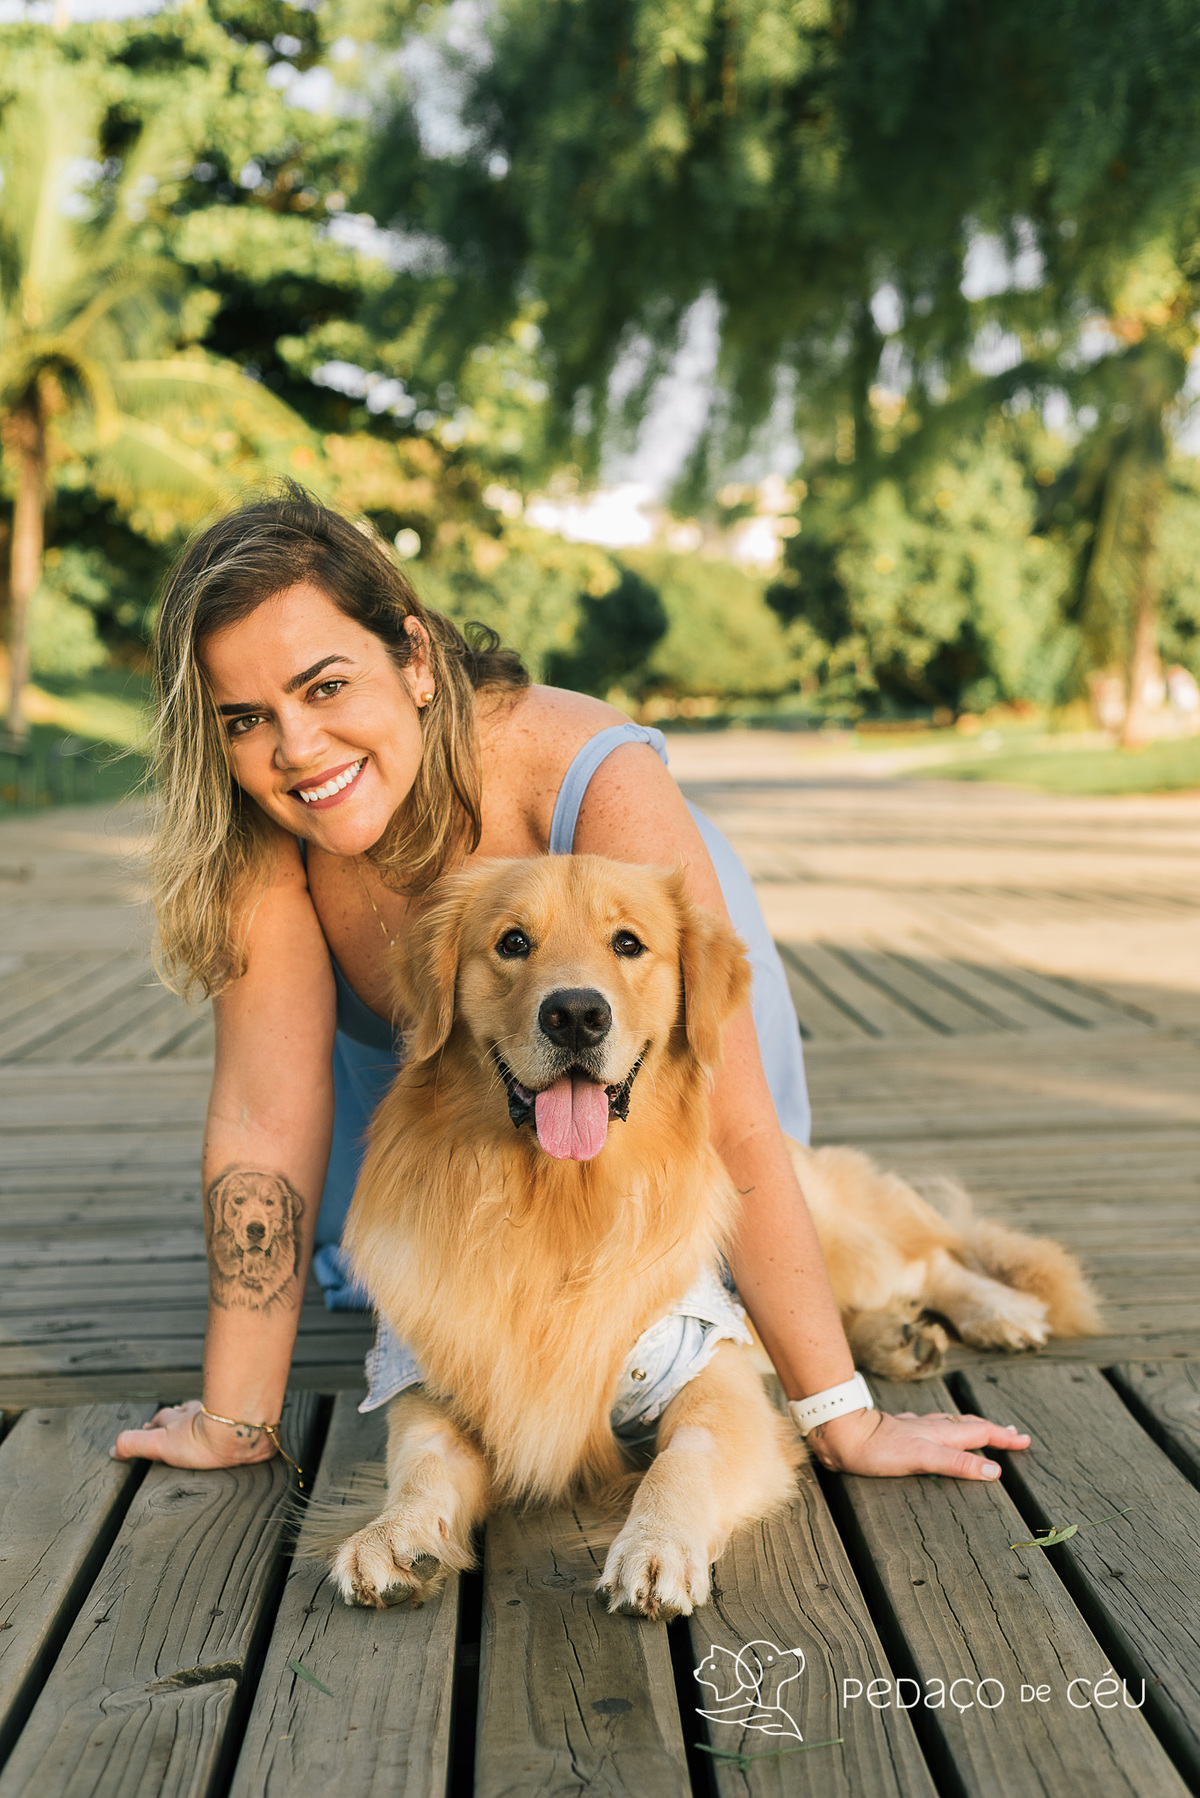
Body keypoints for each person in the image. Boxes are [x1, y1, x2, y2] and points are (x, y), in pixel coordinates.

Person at [113, 488, 1028, 1482]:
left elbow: (731, 1116)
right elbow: (261, 1123)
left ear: (415, 659)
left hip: (661, 1054)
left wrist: (847, 1420)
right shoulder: (271, 838)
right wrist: (235, 1419)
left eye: (325, 687)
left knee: (700, 1273)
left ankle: (892, 1282)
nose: (295, 747)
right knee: (426, 1278)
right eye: (247, 718)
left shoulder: (578, 768)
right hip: (443, 1120)